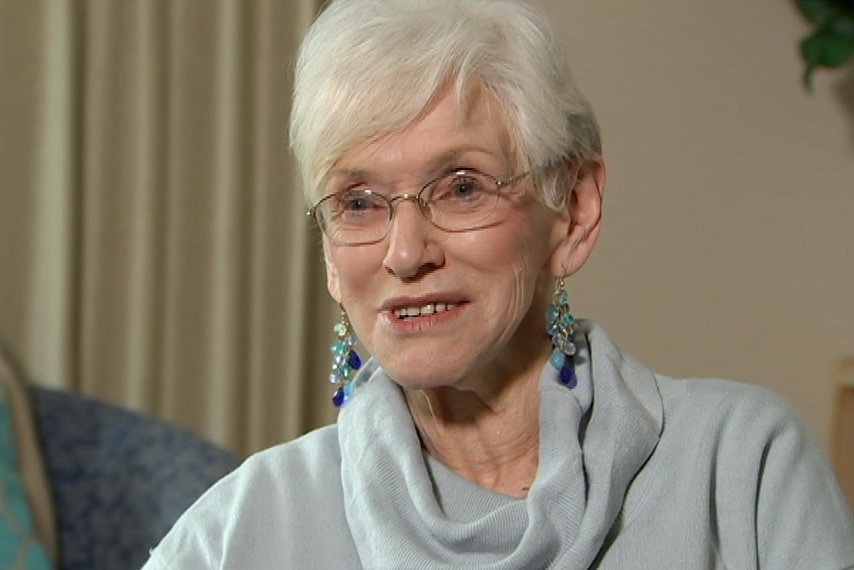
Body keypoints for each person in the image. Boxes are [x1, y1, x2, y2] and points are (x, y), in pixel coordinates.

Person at [141, 0, 854, 568]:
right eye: (358, 203)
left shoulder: (744, 469)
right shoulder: (236, 533)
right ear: (330, 255)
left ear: (574, 209)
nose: (406, 252)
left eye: (460, 187)